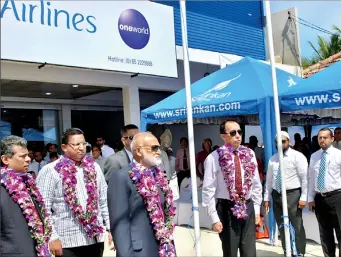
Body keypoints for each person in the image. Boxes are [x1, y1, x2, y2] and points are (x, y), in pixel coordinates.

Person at [36, 128, 112, 257]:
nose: (81, 148)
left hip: (94, 237)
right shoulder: (50, 170)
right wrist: (52, 237)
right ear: (64, 147)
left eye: (83, 144)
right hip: (67, 240)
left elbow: (103, 200)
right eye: (76, 144)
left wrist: (110, 228)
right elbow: (43, 207)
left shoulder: (94, 167)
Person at [108, 132, 177, 257]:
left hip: (163, 248)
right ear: (139, 151)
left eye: (159, 148)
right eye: (154, 148)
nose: (159, 152)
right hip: (138, 251)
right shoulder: (122, 177)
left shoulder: (159, 176)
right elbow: (120, 225)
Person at [202, 120, 262, 257]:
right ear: (223, 136)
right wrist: (214, 218)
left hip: (248, 206)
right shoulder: (214, 157)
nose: (238, 136)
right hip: (227, 208)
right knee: (230, 251)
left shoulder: (249, 153)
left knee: (249, 251)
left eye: (239, 132)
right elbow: (208, 190)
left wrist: (257, 210)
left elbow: (256, 183)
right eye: (233, 132)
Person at [0, 135, 52, 257]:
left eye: (28, 155)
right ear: (6, 159)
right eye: (22, 156)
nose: (28, 159)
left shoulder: (28, 184)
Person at [264, 131, 308, 256]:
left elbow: (305, 178)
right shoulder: (273, 159)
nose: (280, 144)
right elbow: (269, 180)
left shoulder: (297, 156)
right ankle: (287, 251)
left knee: (296, 225)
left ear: (289, 142)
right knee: (282, 226)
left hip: (293, 194)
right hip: (277, 195)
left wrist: (304, 197)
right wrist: (266, 197)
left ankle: (299, 253)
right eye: (277, 142)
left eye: (283, 141)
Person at [308, 128, 341, 257]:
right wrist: (310, 197)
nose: (322, 140)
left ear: (332, 139)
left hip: (337, 196)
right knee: (325, 233)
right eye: (319, 137)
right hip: (320, 199)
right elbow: (311, 178)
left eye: (325, 137)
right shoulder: (314, 156)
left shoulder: (339, 155)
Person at [104, 124, 170, 184]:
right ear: (124, 141)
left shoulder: (146, 156)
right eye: (132, 137)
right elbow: (112, 186)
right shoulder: (114, 160)